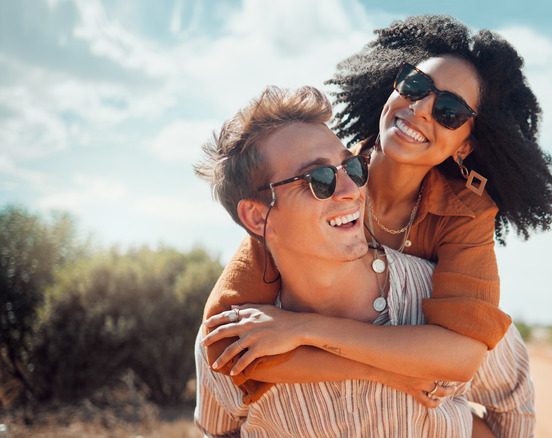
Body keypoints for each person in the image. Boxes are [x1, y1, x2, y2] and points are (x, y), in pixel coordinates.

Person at [201, 13, 552, 394]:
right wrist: (386, 373)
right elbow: (222, 343)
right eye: (415, 85)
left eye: (449, 112)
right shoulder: (318, 183)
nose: (420, 108)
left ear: (465, 146)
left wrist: (304, 329)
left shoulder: (467, 211)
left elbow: (461, 356)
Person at [194, 85, 534, 437]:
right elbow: (218, 432)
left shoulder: (442, 302)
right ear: (257, 218)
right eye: (319, 179)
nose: (351, 191)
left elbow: (514, 407)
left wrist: (303, 329)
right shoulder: (235, 333)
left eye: (352, 168)